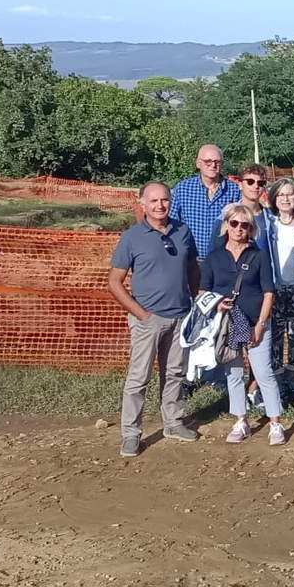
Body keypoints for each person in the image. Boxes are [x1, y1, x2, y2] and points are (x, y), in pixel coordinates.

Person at [107, 182, 201, 457]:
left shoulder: (183, 231)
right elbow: (114, 282)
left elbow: (192, 268)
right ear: (143, 204)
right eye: (154, 201)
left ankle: (173, 423)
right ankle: (130, 434)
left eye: (165, 200)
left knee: (174, 374)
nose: (160, 205)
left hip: (180, 315)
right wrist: (141, 314)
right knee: (139, 378)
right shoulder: (132, 237)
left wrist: (193, 301)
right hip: (148, 318)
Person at [204, 203, 285, 444]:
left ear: (251, 229)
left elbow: (269, 292)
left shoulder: (258, 256)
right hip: (228, 323)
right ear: (226, 225)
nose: (239, 229)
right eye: (235, 223)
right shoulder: (214, 257)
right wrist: (216, 305)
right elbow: (203, 290)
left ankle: (275, 423)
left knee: (263, 373)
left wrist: (260, 324)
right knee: (234, 372)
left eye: (245, 225)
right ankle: (240, 420)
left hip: (254, 321)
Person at [261, 177, 294, 388]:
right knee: (275, 336)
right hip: (276, 288)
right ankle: (277, 378)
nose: (285, 198)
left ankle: (293, 375)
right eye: (281, 195)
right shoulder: (268, 223)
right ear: (274, 198)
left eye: (289, 194)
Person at [172, 144, 241, 258]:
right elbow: (172, 222)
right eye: (208, 161)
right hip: (190, 259)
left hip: (222, 260)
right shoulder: (183, 189)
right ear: (198, 164)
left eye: (217, 162)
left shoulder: (234, 190)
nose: (213, 165)